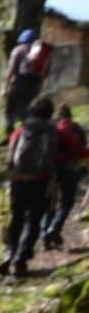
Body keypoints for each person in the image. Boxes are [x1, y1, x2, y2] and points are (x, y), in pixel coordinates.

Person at [0, 95, 58, 277]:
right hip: (39, 180)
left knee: (16, 218)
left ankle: (9, 252)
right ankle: (21, 259)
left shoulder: (20, 130)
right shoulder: (51, 131)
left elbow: (10, 156)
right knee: (33, 221)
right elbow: (55, 156)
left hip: (17, 180)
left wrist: (11, 174)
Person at [44, 103, 87, 249]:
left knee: (50, 202)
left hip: (51, 170)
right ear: (70, 114)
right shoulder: (77, 128)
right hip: (70, 168)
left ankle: (45, 234)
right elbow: (81, 150)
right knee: (66, 202)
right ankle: (54, 228)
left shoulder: (51, 129)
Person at [2, 28, 52, 129]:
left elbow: (11, 71)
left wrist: (5, 87)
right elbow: (44, 72)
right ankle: (29, 132)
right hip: (35, 84)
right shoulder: (40, 52)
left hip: (20, 82)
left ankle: (10, 133)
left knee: (9, 109)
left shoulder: (18, 50)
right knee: (29, 109)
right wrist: (39, 88)